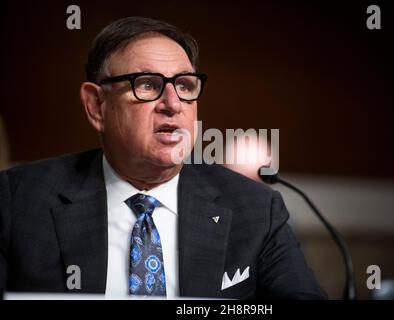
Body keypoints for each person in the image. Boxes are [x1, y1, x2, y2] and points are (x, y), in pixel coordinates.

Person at [0, 17, 326, 299]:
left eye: (184, 85)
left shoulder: (256, 211)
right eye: (147, 85)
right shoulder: (18, 201)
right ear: (96, 106)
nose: (172, 103)